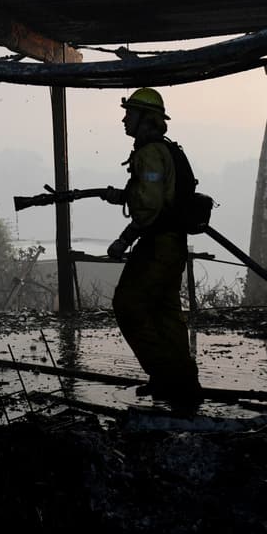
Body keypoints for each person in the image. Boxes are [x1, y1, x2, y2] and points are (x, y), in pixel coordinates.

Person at [104, 87, 202, 408]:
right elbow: (154, 193)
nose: (123, 119)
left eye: (129, 113)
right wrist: (121, 194)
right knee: (166, 312)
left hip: (157, 245)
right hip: (174, 245)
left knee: (128, 306)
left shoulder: (149, 153)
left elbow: (149, 206)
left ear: (146, 119)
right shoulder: (165, 150)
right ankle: (184, 383)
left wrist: (124, 239)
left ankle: (167, 376)